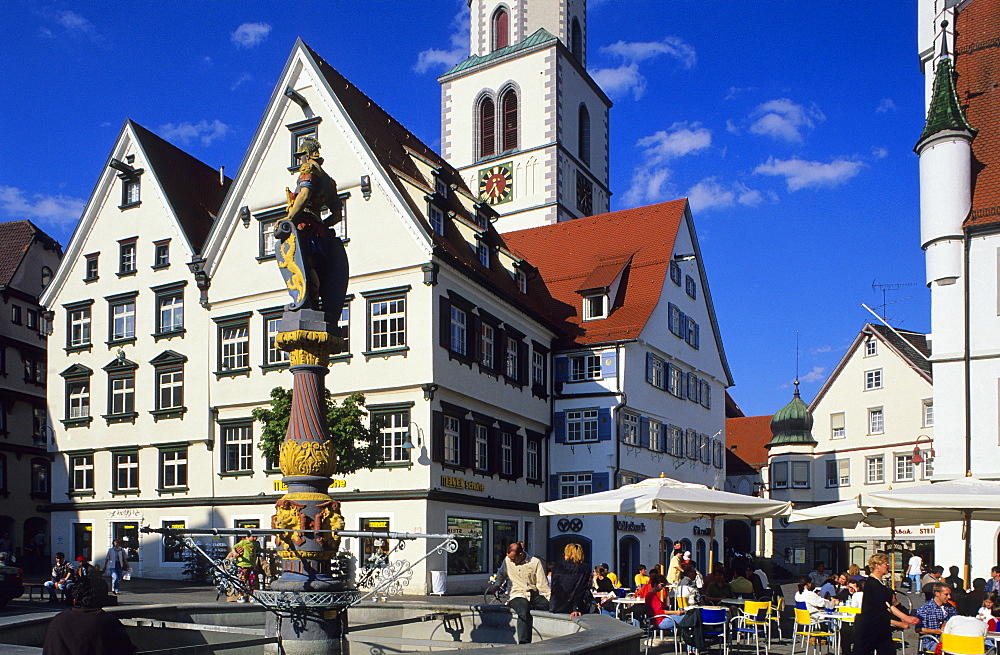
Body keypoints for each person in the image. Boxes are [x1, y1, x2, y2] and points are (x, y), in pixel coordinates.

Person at [277, 136, 348, 315]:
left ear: (307, 155)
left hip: (304, 224)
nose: (301, 160)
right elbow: (337, 214)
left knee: (306, 265)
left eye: (302, 156)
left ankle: (310, 301)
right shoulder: (329, 182)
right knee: (313, 265)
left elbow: (305, 195)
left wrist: (290, 218)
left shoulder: (309, 170)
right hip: (317, 228)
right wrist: (323, 225)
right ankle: (314, 302)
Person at [42, 574, 136, 655]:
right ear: (103, 599)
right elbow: (125, 650)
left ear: (74, 599)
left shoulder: (58, 620)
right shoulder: (108, 622)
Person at [854, 554, 919, 655]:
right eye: (885, 563)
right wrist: (906, 617)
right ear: (877, 566)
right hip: (870, 626)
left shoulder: (880, 583)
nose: (887, 565)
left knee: (888, 651)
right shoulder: (872, 583)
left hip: (881, 625)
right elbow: (887, 605)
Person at [495, 542, 550, 644]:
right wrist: (497, 585)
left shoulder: (535, 562)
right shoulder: (507, 561)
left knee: (550, 606)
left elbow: (542, 584)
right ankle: (524, 643)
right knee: (523, 611)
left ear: (520, 554)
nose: (511, 561)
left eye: (513, 559)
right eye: (510, 558)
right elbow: (501, 574)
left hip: (532, 594)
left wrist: (550, 599)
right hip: (517, 594)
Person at [548, 543, 592, 617]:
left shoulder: (557, 567)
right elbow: (580, 589)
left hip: (556, 606)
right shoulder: (584, 569)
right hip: (573, 607)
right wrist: (576, 608)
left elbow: (555, 588)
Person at [915, 582, 957, 653]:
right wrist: (938, 631)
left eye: (950, 594)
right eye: (946, 594)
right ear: (937, 594)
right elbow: (919, 629)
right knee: (951, 649)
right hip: (932, 641)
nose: (949, 597)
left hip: (949, 639)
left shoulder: (950, 607)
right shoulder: (925, 609)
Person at [226, 534, 260, 603]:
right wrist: (234, 556)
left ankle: (251, 595)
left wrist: (271, 559)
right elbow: (225, 567)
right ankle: (240, 595)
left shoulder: (256, 555)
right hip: (234, 598)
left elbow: (267, 570)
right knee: (241, 580)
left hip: (251, 598)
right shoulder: (232, 554)